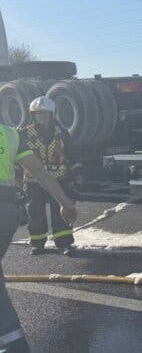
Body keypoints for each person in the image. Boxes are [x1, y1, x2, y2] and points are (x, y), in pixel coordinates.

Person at [0, 122, 77, 353]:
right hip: (6, 215)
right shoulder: (10, 134)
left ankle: (14, 345)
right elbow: (41, 172)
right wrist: (65, 203)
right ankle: (13, 343)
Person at [19, 97, 78, 256]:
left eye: (45, 115)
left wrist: (75, 176)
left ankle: (65, 243)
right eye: (38, 115)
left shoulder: (62, 133)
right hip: (33, 181)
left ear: (52, 115)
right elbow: (17, 159)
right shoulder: (23, 134)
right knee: (35, 212)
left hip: (60, 180)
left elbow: (72, 155)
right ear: (32, 115)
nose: (42, 118)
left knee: (61, 211)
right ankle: (38, 243)